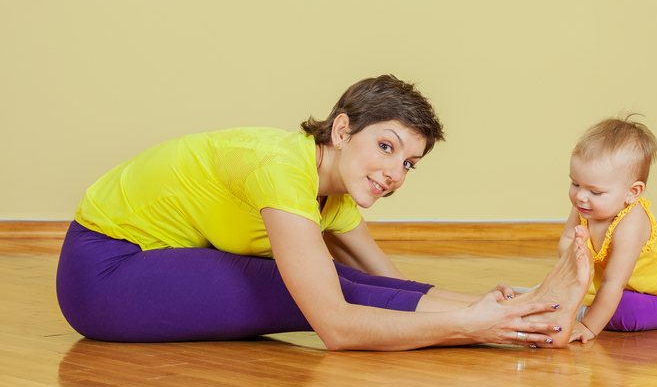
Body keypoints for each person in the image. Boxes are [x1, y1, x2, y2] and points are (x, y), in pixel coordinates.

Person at [56, 74, 593, 351]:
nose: (395, 174)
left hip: (150, 263)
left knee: (340, 279)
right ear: (341, 131)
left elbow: (390, 282)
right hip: (105, 274)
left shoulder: (330, 190)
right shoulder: (279, 169)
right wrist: (473, 327)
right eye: (385, 147)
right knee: (320, 291)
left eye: (409, 163)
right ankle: (521, 317)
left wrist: (500, 301)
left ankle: (534, 311)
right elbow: (336, 325)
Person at [559, 115, 657, 343]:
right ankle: (562, 302)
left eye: (595, 192)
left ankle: (579, 311)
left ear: (632, 193)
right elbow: (565, 241)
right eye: (575, 184)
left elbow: (614, 282)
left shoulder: (632, 223)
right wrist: (575, 258)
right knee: (563, 282)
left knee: (625, 310)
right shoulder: (585, 207)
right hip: (614, 289)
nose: (580, 196)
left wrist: (587, 327)